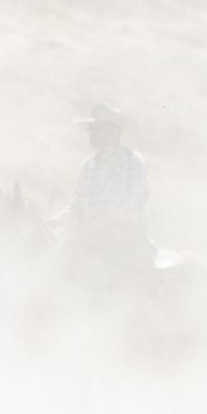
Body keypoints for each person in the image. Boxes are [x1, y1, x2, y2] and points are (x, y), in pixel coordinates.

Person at [50, 103, 154, 289]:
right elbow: (77, 205)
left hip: (124, 241)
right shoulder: (89, 166)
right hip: (88, 238)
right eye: (91, 128)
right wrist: (54, 222)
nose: (92, 133)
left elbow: (129, 204)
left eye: (97, 128)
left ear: (114, 131)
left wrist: (96, 224)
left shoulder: (132, 161)